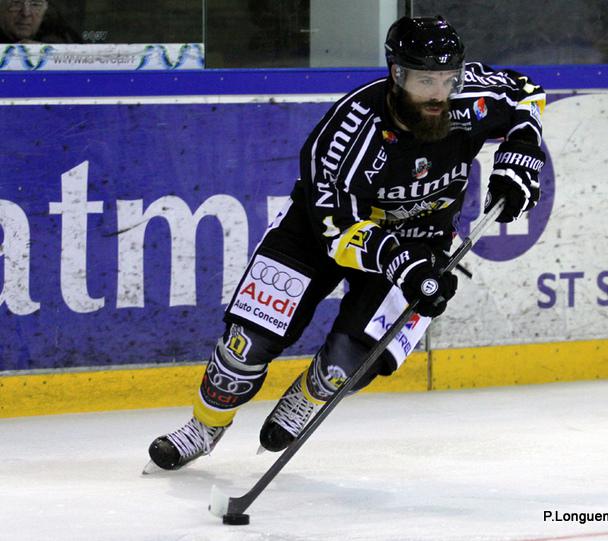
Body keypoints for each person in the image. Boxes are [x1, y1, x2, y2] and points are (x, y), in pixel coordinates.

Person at [146, 15, 547, 471]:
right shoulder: (349, 130)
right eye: (423, 80)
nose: (438, 93)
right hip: (317, 235)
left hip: (422, 239)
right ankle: (203, 427)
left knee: (350, 362)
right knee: (245, 345)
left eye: (445, 79)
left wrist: (521, 155)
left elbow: (526, 94)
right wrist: (402, 263)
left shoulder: (469, 98)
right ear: (396, 74)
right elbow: (338, 232)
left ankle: (312, 392)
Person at [0, 0, 80, 44]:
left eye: (35, 4)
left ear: (45, 9)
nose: (26, 13)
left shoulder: (62, 36)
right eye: (16, 3)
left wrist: (44, 53)